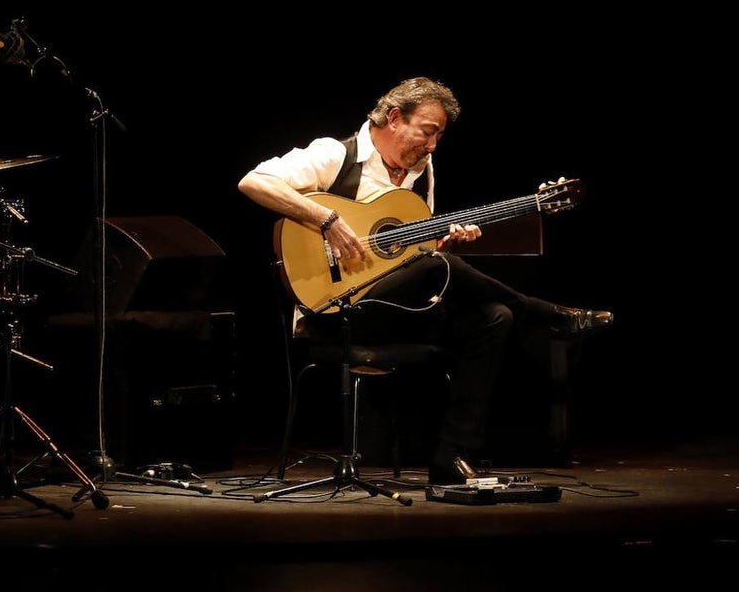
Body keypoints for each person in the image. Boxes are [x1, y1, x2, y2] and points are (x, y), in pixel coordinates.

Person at [237, 76, 612, 485]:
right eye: (428, 132)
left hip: (397, 309)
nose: (432, 147)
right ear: (395, 118)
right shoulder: (336, 154)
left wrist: (448, 244)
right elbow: (254, 182)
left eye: (438, 138)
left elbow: (417, 259)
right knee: (437, 268)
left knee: (494, 316)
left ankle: (450, 455)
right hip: (335, 311)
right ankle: (544, 315)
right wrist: (325, 219)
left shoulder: (422, 171)